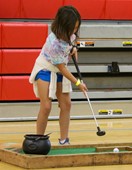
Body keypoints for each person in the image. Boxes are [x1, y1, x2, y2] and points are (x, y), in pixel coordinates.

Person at [29, 6, 88, 145]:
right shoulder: (54, 42)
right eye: (72, 28)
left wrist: (74, 50)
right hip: (45, 68)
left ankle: (64, 140)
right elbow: (62, 68)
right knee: (46, 106)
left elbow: (71, 53)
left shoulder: (71, 35)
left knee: (66, 104)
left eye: (76, 28)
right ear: (63, 26)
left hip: (60, 69)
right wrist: (78, 83)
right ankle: (38, 141)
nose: (74, 31)